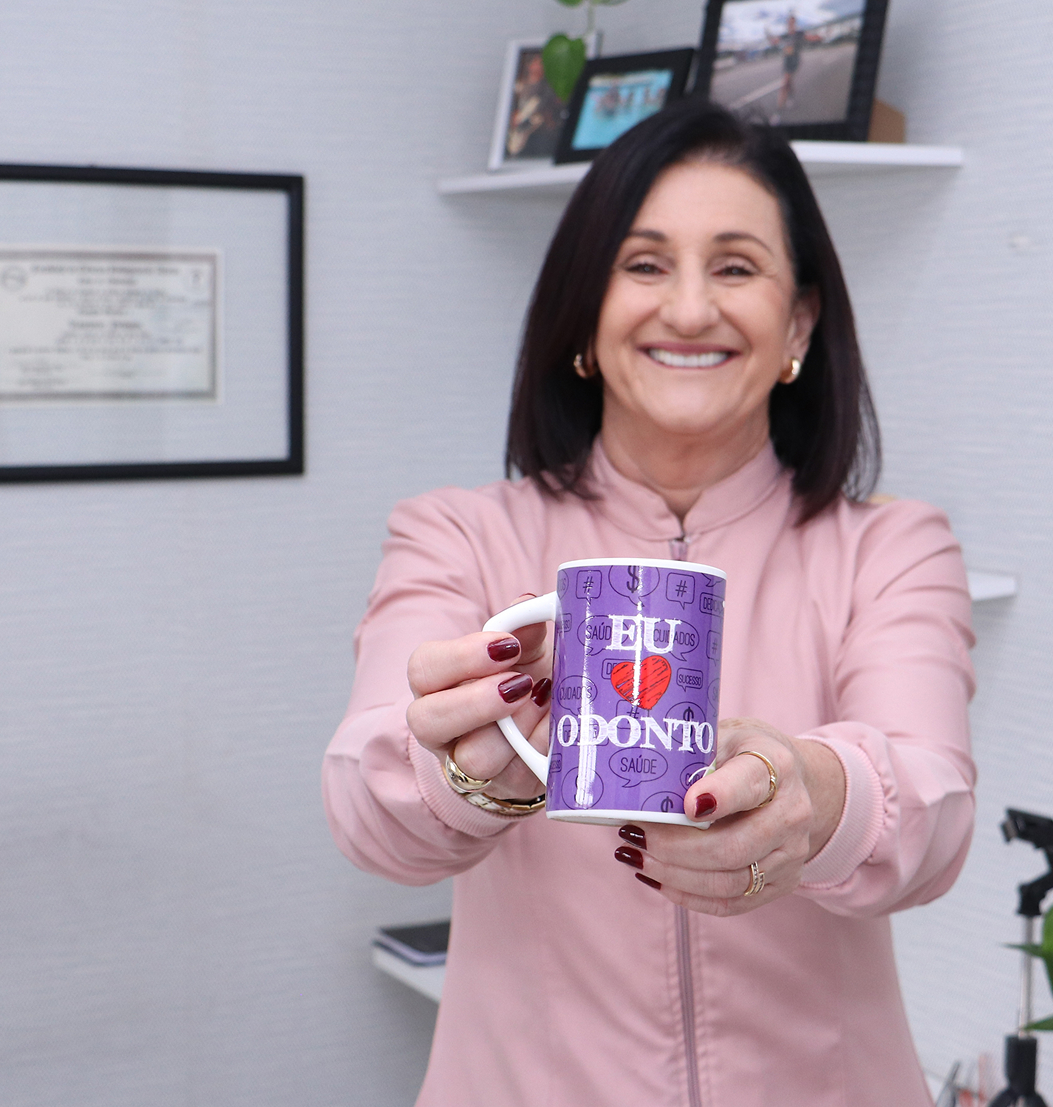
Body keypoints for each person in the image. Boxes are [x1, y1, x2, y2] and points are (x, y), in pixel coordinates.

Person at [323, 99, 977, 1106]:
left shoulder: (890, 547)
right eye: (643, 264)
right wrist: (462, 767)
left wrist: (814, 794)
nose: (688, 309)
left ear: (799, 321)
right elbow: (368, 807)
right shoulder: (455, 534)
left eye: (735, 266)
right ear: (583, 312)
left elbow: (932, 813)